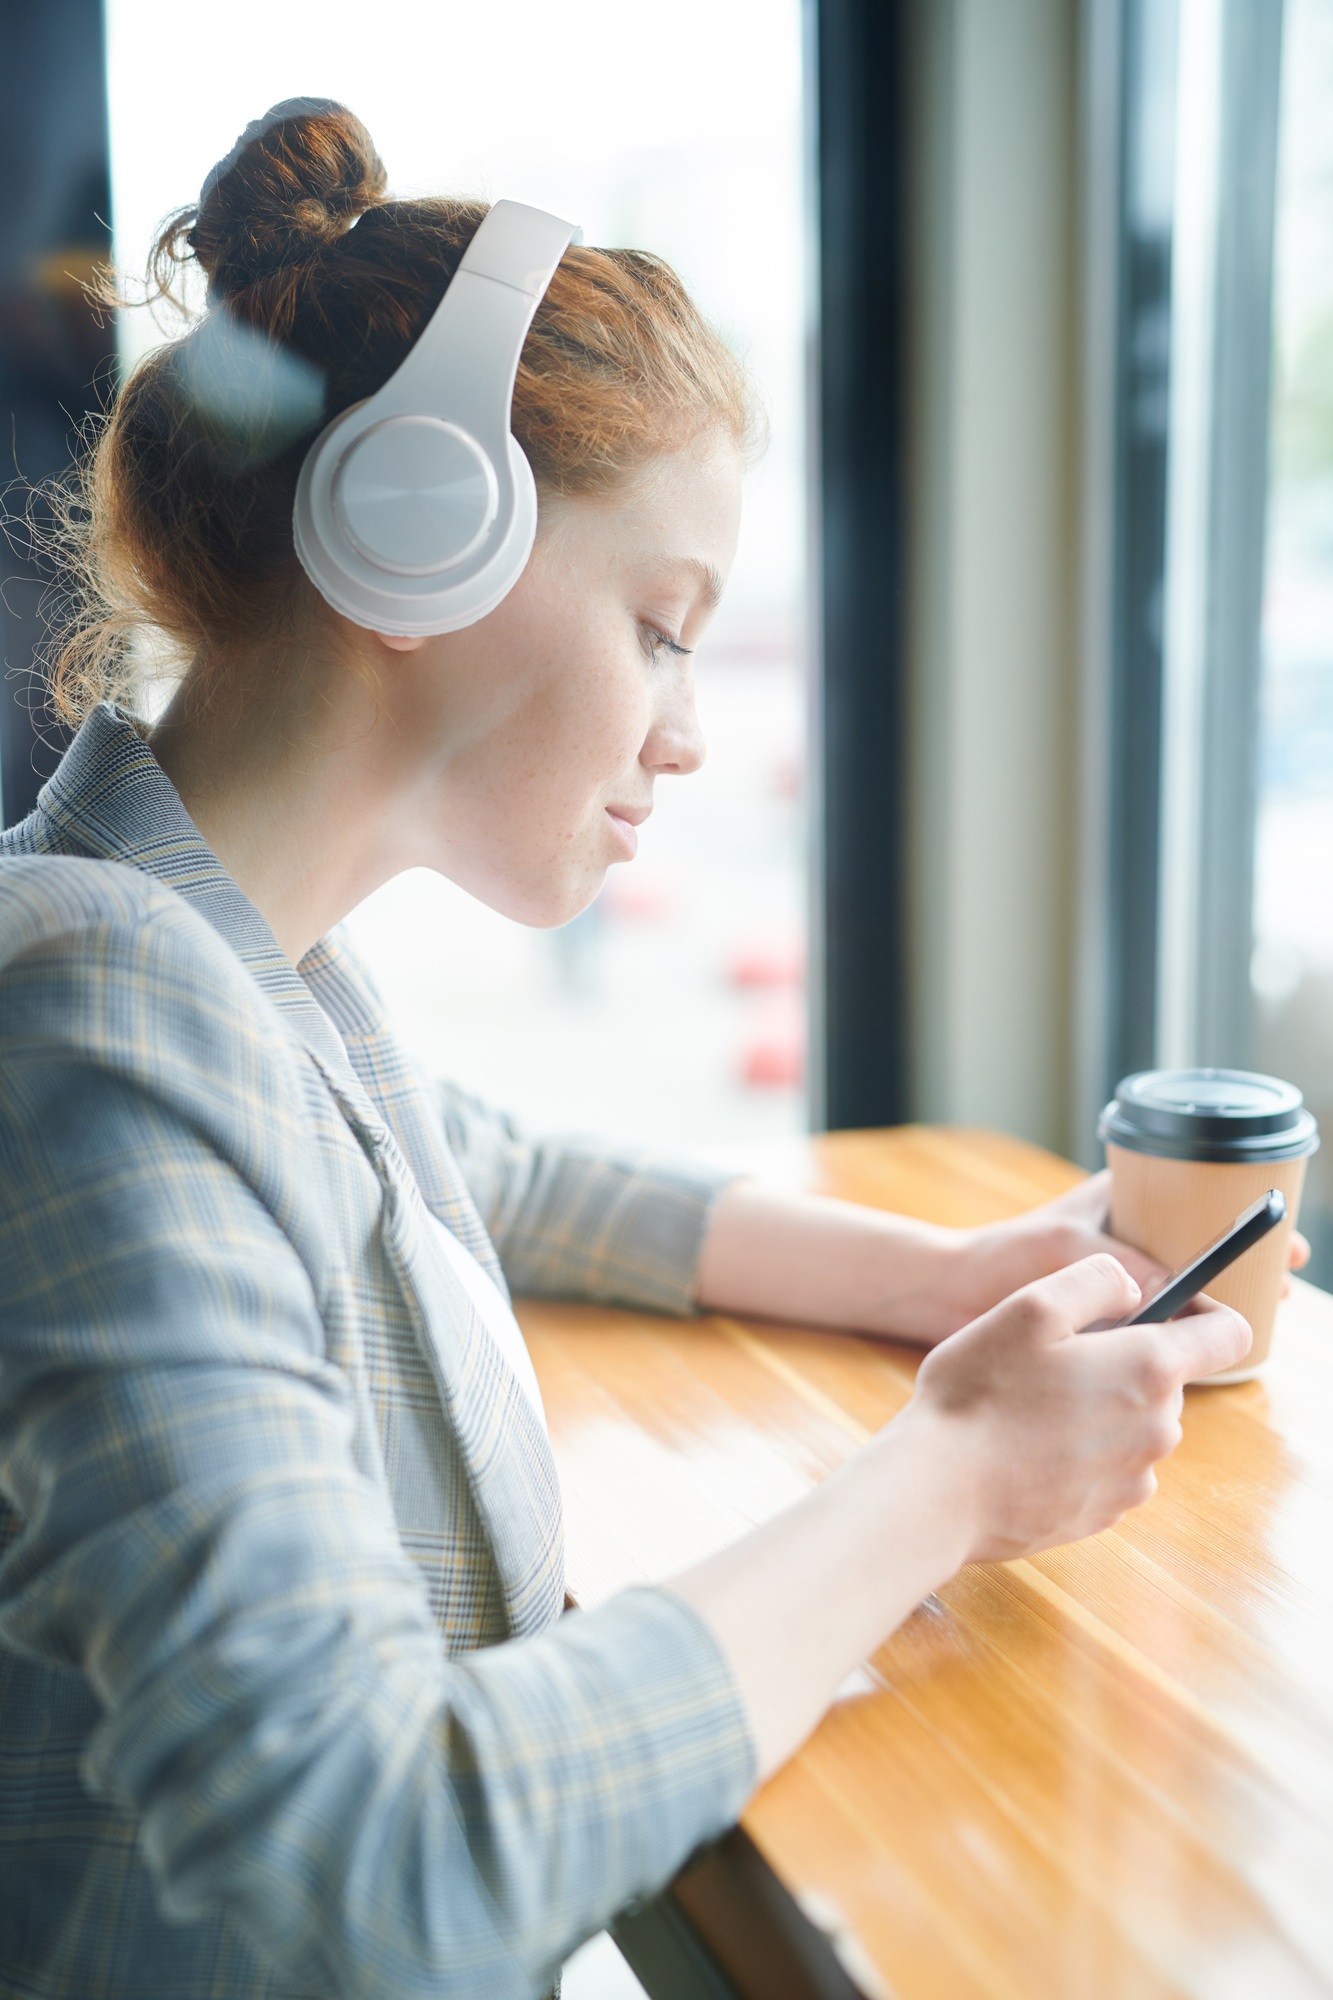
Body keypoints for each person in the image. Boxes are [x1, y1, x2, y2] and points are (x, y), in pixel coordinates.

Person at [0, 101, 1267, 2000]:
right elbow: (355, 1861)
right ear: (418, 537)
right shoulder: (90, 994)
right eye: (663, 628)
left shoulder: (225, 957)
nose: (685, 730)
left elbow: (493, 1172)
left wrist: (944, 1279)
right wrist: (940, 1485)